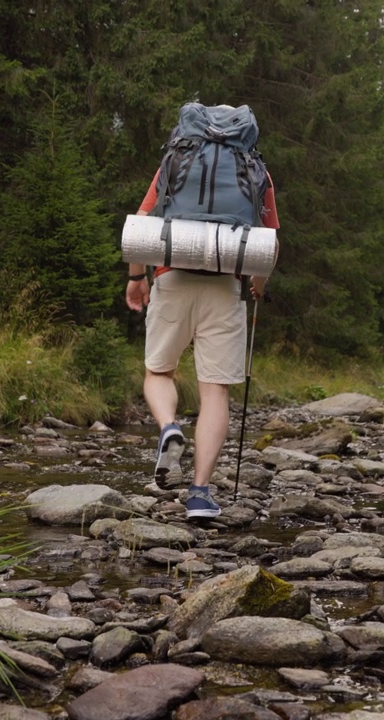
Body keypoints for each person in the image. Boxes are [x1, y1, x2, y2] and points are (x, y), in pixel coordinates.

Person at [125, 166, 279, 519]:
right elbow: (270, 242)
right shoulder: (257, 172)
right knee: (215, 391)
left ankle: (169, 427)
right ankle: (199, 494)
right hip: (225, 286)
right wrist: (259, 283)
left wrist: (137, 277)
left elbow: (140, 222)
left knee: (159, 372)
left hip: (172, 277)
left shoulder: (175, 162)